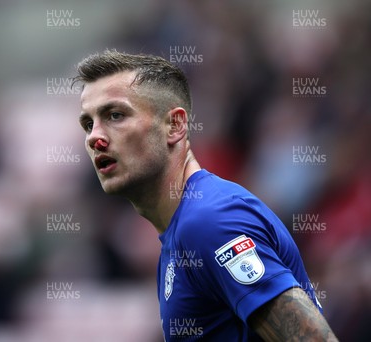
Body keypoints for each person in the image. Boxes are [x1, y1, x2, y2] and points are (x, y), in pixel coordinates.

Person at [74, 50, 338, 341]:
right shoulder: (178, 234)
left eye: (115, 115)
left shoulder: (211, 222)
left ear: (174, 126)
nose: (94, 138)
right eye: (88, 124)